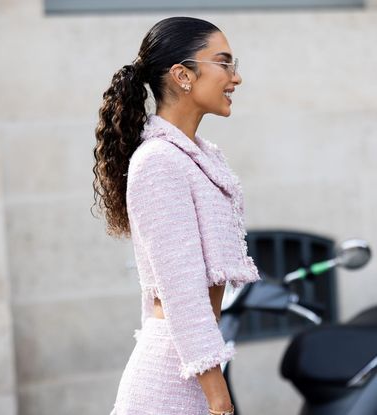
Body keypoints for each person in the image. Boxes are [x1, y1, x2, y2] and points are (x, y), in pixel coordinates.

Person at [92, 16, 260, 415]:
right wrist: (219, 401)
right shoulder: (159, 162)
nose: (235, 79)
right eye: (225, 63)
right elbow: (181, 294)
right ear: (183, 75)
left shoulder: (195, 155)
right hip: (170, 384)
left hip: (191, 370)